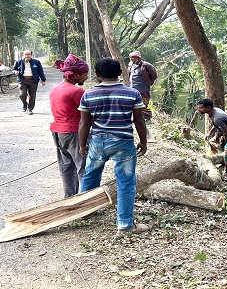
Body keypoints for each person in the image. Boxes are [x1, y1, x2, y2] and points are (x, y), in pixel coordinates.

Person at [78, 58, 150, 235]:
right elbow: (139, 121)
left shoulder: (88, 94)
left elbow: (84, 124)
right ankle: (125, 225)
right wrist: (143, 141)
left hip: (98, 141)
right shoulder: (132, 94)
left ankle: (85, 212)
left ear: (97, 75)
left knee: (90, 176)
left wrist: (82, 145)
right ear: (120, 73)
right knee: (125, 182)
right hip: (123, 142)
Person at [50, 54, 90, 198]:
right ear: (75, 74)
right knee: (83, 168)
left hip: (58, 133)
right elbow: (88, 114)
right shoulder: (77, 91)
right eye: (85, 74)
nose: (86, 77)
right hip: (74, 133)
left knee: (66, 167)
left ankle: (69, 198)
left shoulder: (55, 89)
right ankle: (85, 203)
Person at [196, 98, 227, 181]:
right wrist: (209, 133)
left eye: (201, 108)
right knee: (212, 143)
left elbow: (226, 132)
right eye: (198, 107)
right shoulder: (214, 111)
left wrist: (225, 143)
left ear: (208, 108)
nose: (199, 109)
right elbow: (216, 124)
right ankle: (220, 163)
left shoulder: (218, 117)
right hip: (225, 133)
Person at [12, 50, 46, 115]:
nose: (27, 56)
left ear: (31, 55)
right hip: (22, 80)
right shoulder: (18, 62)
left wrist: (43, 80)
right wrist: (15, 72)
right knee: (22, 95)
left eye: (28, 54)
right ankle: (25, 104)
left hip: (33, 81)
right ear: (23, 55)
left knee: (32, 95)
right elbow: (14, 69)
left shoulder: (36, 62)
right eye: (25, 54)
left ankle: (30, 109)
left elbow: (40, 71)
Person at [127, 51, 157, 122]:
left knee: (144, 104)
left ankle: (147, 119)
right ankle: (136, 119)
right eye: (130, 58)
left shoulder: (146, 65)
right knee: (134, 104)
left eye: (133, 58)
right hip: (133, 89)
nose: (131, 60)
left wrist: (149, 82)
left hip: (143, 89)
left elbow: (154, 75)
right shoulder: (130, 65)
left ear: (138, 58)